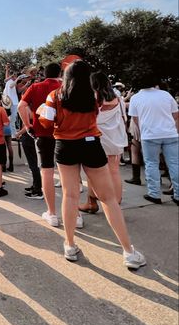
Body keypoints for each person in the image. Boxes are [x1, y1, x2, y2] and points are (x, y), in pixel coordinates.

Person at [38, 60, 146, 269]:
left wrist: (43, 111)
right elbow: (95, 115)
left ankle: (69, 245)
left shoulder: (54, 96)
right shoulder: (94, 96)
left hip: (65, 146)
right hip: (91, 145)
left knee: (70, 195)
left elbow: (46, 123)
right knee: (108, 198)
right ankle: (129, 251)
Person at [20, 62, 66, 224]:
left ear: (45, 74)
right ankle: (76, 215)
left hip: (43, 134)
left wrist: (27, 125)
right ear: (60, 73)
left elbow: (21, 106)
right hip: (65, 135)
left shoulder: (35, 87)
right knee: (69, 175)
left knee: (46, 172)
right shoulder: (67, 86)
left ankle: (52, 214)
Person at [81, 72, 128, 212]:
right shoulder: (118, 98)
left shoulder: (92, 98)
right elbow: (123, 118)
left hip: (97, 138)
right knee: (114, 171)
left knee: (92, 171)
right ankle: (116, 203)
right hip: (115, 139)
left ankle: (91, 202)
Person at [128, 74, 179, 205]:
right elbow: (175, 114)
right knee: (174, 164)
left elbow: (135, 118)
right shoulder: (165, 95)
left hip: (150, 135)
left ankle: (154, 194)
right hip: (170, 133)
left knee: (151, 164)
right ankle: (178, 194)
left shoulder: (135, 98)